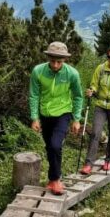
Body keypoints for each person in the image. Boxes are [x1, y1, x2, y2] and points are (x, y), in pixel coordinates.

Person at [29, 41, 83, 195]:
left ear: (64, 60)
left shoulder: (72, 74)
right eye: (52, 61)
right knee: (49, 147)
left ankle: (56, 179)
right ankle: (52, 179)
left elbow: (78, 96)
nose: (55, 65)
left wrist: (76, 119)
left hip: (63, 113)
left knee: (55, 145)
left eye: (59, 61)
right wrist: (34, 118)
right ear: (48, 58)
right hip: (45, 114)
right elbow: (34, 95)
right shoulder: (38, 71)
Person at [80, 48, 110, 174]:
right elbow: (94, 83)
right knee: (95, 133)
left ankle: (109, 160)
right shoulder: (101, 68)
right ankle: (88, 164)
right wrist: (92, 90)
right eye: (109, 57)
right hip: (100, 105)